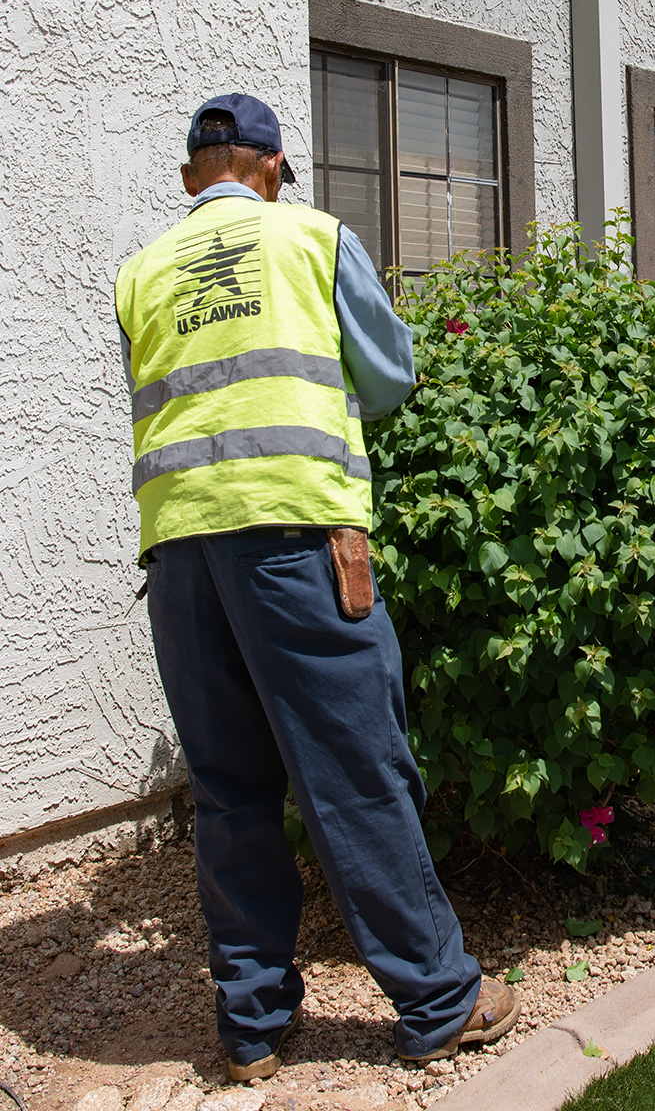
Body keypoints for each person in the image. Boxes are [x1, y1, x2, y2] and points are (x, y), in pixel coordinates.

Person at [114, 93, 520, 1081]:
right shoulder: (314, 238)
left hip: (179, 556)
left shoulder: (141, 272)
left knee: (228, 789)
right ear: (272, 165)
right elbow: (385, 379)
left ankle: (251, 1025)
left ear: (189, 179)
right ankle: (437, 998)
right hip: (295, 542)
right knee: (352, 766)